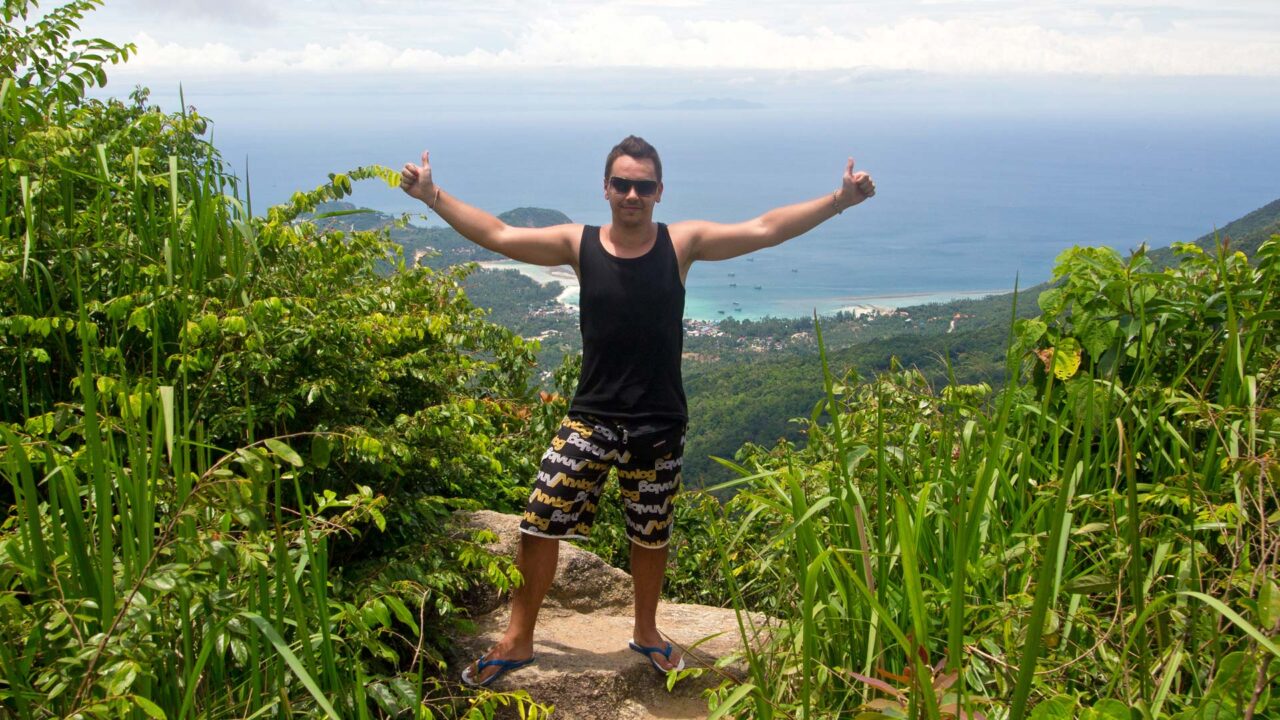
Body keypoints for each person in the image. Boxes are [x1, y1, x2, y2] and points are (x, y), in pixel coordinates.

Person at [399, 135, 876, 687]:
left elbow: (766, 228)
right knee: (539, 518)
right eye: (622, 183)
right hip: (591, 414)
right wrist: (434, 196)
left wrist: (838, 200)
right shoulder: (578, 244)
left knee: (651, 535)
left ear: (659, 192)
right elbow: (500, 236)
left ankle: (646, 632)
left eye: (643, 186)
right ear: (605, 188)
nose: (632, 194)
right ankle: (518, 638)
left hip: (659, 418)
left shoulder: (682, 244)